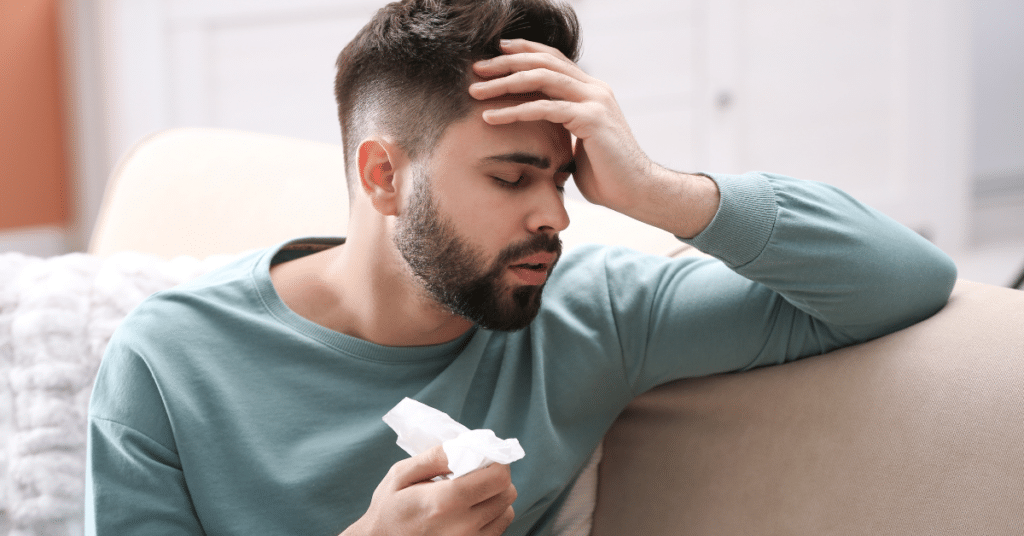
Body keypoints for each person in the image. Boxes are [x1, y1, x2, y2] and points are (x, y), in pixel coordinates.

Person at [84, 0, 958, 534]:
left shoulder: (591, 312)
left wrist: (659, 191)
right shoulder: (167, 364)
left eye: (561, 174)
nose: (555, 214)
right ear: (384, 177)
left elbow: (905, 277)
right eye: (510, 177)